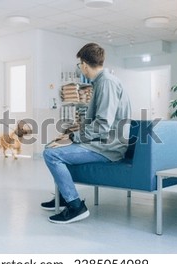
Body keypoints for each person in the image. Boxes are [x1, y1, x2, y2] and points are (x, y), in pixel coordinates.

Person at [42, 43, 131, 224]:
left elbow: (103, 125)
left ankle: (75, 206)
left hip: (107, 147)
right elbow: (98, 122)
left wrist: (74, 137)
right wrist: (70, 135)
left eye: (79, 65)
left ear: (83, 64)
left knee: (51, 154)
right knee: (52, 145)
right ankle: (63, 196)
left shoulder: (106, 83)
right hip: (99, 142)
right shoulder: (102, 82)